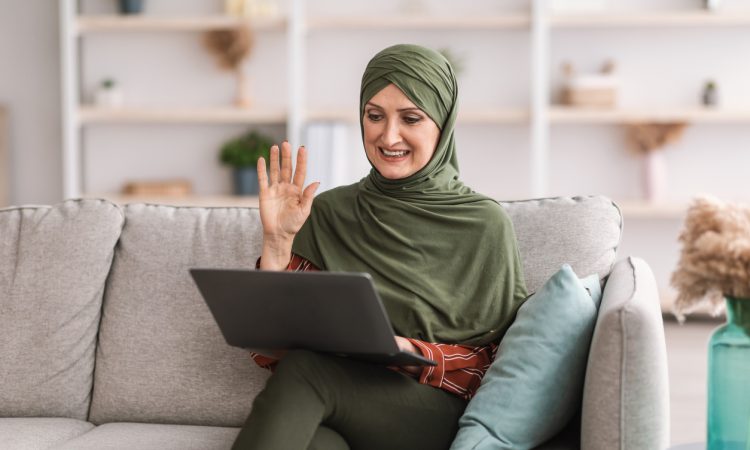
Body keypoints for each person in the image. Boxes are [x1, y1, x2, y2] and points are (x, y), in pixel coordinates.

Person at [232, 44, 527, 450]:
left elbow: (500, 365)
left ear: (442, 124)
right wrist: (277, 241)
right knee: (314, 442)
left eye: (410, 118)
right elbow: (271, 352)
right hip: (340, 401)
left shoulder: (483, 224)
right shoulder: (330, 211)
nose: (388, 136)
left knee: (306, 372)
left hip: (435, 414)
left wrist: (412, 352)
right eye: (375, 116)